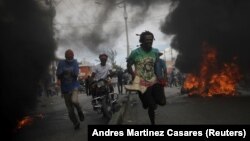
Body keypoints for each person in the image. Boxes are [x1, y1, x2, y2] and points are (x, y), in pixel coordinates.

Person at [125, 30, 166, 125]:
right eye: (147, 40)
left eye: (151, 39)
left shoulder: (155, 52)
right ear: (141, 41)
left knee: (162, 102)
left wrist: (160, 77)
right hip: (142, 83)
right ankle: (152, 121)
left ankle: (147, 101)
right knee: (153, 106)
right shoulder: (135, 53)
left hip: (154, 81)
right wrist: (133, 75)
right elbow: (129, 65)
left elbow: (155, 65)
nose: (149, 41)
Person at [56, 49, 84, 130]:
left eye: (71, 56)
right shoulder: (61, 63)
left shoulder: (75, 62)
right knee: (70, 110)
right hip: (65, 89)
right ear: (65, 56)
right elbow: (58, 73)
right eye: (68, 56)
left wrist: (65, 71)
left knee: (75, 101)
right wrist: (60, 76)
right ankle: (76, 123)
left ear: (73, 56)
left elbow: (75, 73)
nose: (70, 58)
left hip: (74, 86)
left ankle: (79, 110)